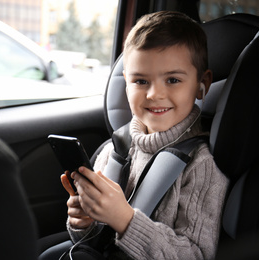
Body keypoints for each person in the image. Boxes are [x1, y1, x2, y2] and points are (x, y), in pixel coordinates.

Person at [62, 11, 229, 260]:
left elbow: (197, 254)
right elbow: (95, 243)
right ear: (125, 85)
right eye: (140, 81)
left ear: (201, 84)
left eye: (173, 79)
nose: (154, 94)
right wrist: (85, 222)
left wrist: (125, 220)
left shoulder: (201, 166)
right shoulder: (113, 151)